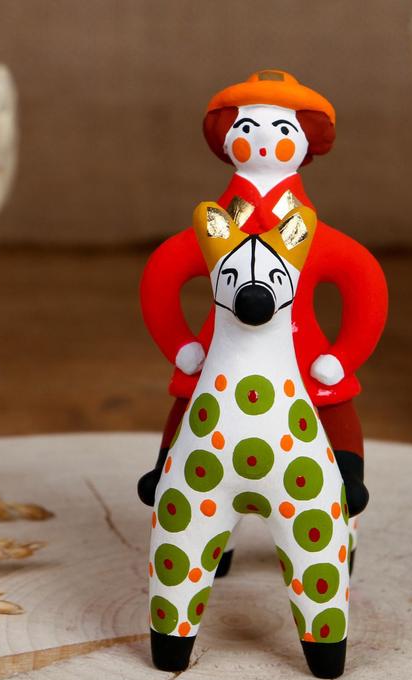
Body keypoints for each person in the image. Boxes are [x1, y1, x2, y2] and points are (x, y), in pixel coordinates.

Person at [137, 70, 388, 574]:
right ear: (226, 141)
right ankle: (180, 492)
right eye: (247, 127)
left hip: (305, 360)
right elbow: (162, 273)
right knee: (191, 409)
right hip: (218, 356)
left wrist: (343, 357)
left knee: (332, 412)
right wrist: (180, 345)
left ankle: (341, 498)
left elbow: (364, 280)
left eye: (282, 128)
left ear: (306, 145)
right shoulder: (213, 226)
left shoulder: (316, 234)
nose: (263, 139)